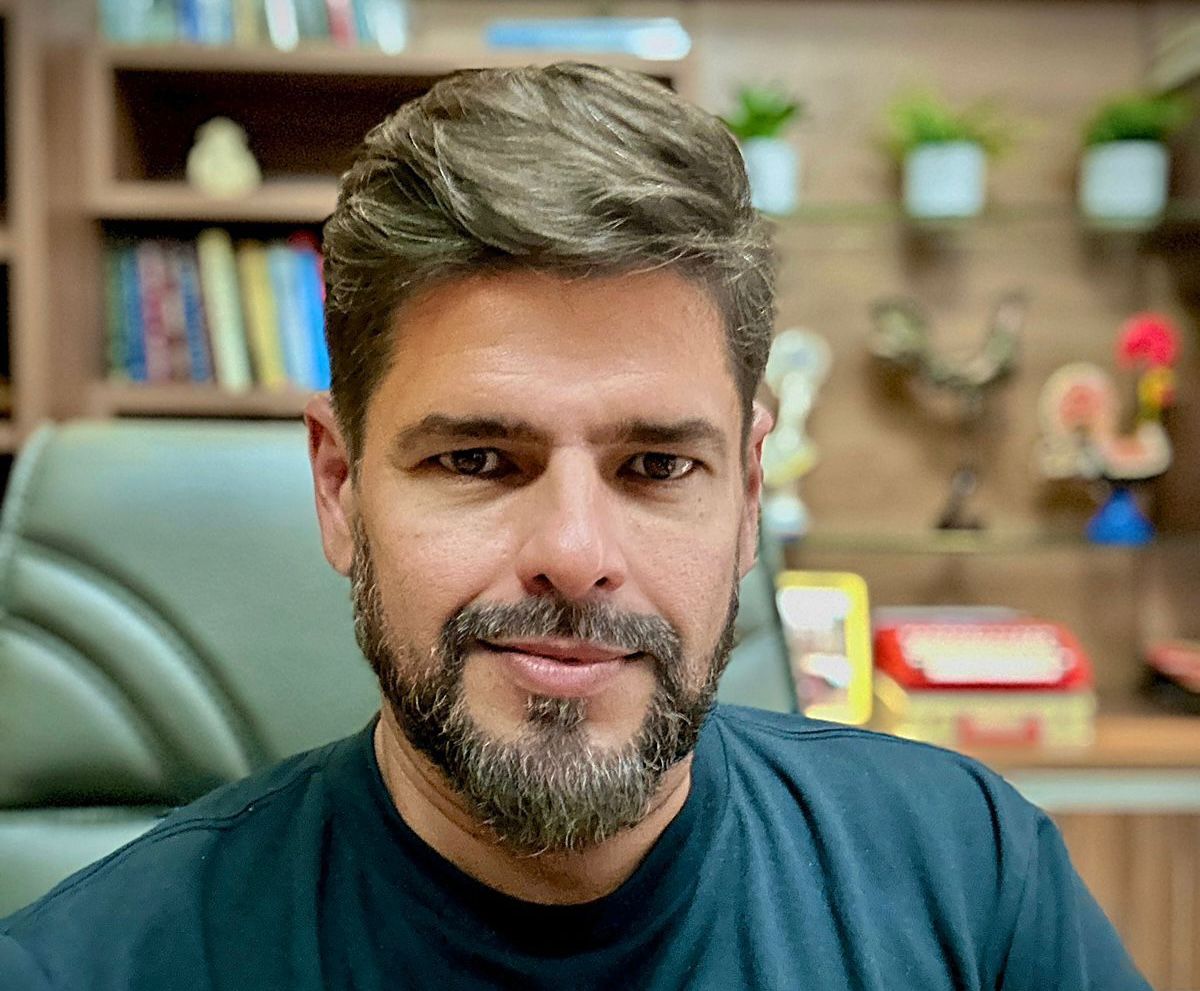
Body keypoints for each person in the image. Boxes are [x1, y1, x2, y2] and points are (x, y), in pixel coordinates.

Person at [1, 63, 1147, 990]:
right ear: (341, 487)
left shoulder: (973, 885)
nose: (576, 554)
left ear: (750, 493)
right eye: (476, 459)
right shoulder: (88, 965)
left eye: (657, 466)